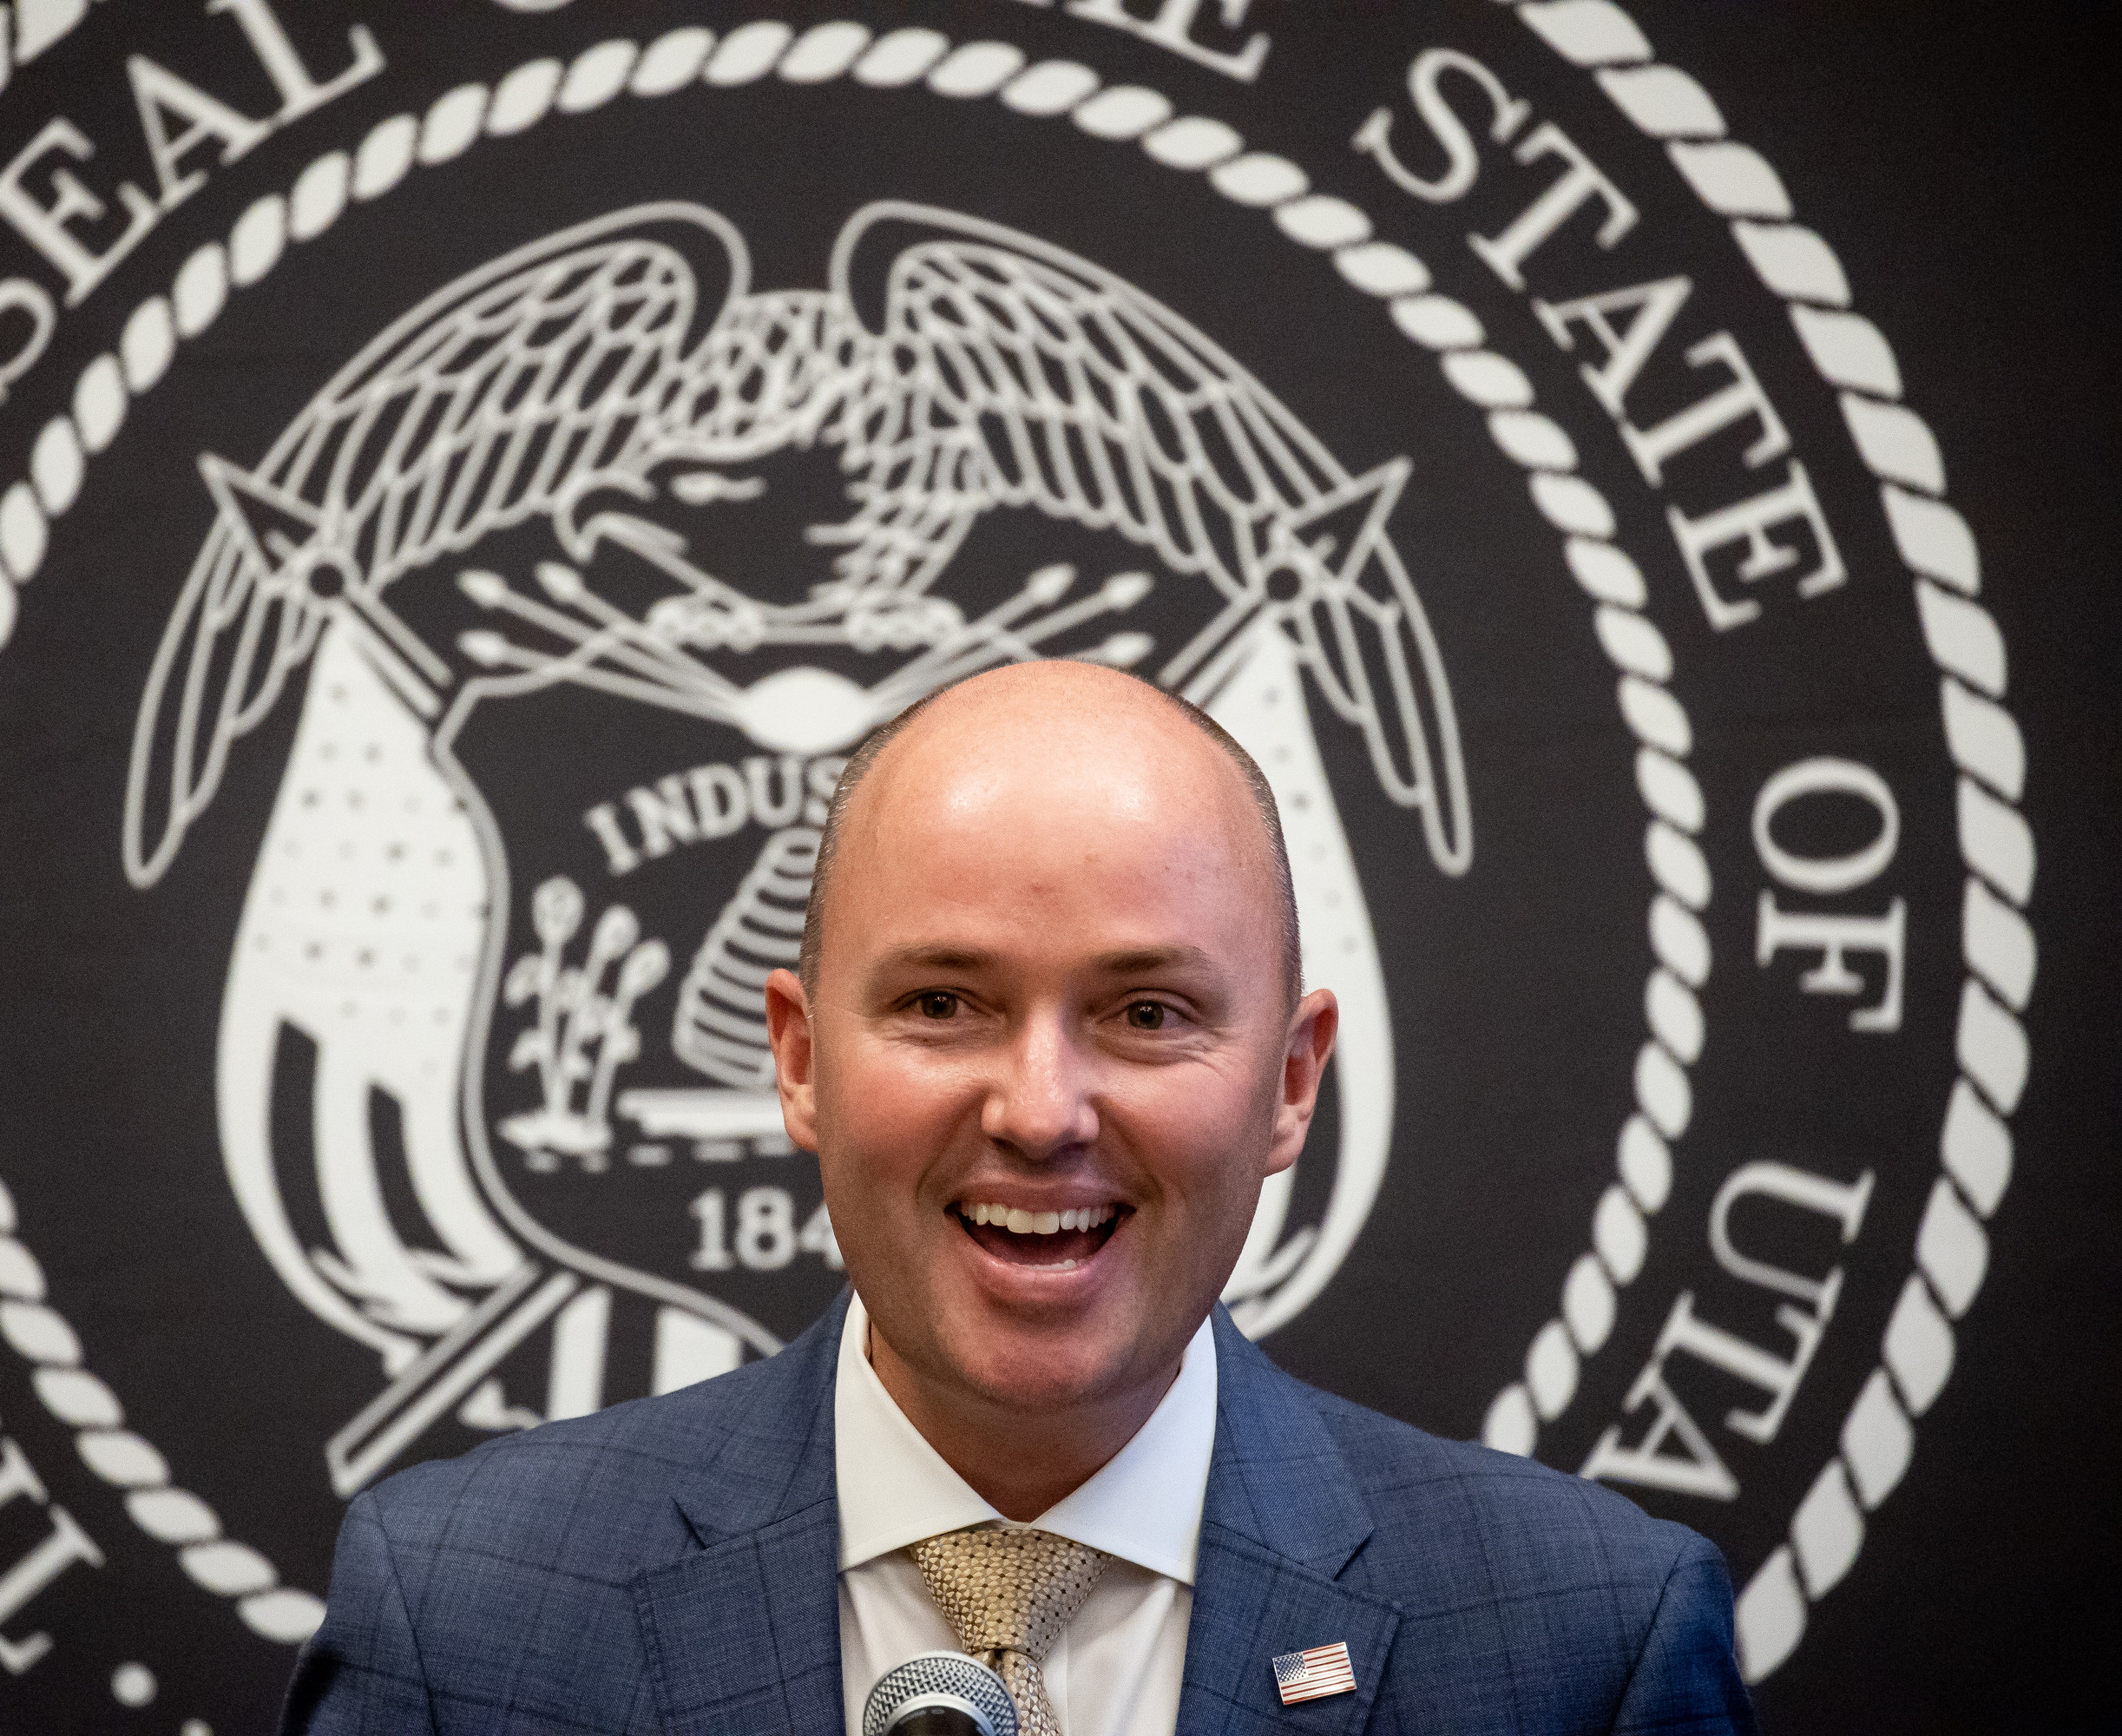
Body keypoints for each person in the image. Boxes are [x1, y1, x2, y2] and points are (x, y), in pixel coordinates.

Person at [279, 661, 1755, 1734]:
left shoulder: (1585, 1646)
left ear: (1293, 1082)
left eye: (1150, 1015)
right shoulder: (463, 1627)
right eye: (941, 1002)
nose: (1041, 1112)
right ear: (798, 1063)